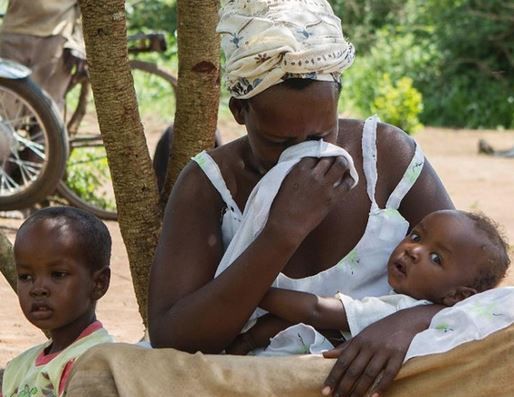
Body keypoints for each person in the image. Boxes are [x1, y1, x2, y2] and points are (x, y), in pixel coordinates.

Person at [147, 1, 456, 396]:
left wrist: (401, 325)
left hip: (385, 379)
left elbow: (473, 283)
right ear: (241, 111)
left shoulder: (387, 158)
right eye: (281, 143)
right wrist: (281, 233)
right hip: (257, 383)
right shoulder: (210, 184)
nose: (307, 154)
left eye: (321, 136)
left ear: (338, 97)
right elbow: (173, 339)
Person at [224, 210, 510, 356]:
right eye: (416, 237)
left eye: (435, 258)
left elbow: (316, 311)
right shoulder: (399, 298)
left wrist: (255, 290)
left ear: (457, 295)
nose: (413, 250)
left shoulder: (401, 310)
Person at [1, 206, 113, 397]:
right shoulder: (18, 368)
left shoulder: (96, 363)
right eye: (26, 276)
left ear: (99, 283)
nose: (38, 289)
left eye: (58, 274)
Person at [0, 0, 85, 111]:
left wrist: (78, 43)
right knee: (4, 104)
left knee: (48, 108)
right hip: (14, 28)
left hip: (57, 35)